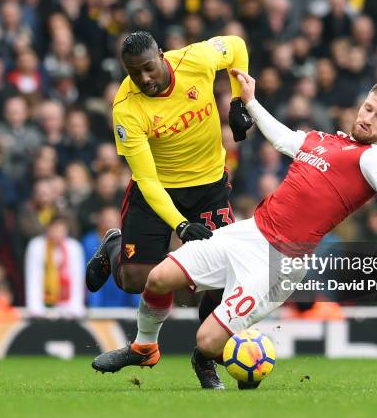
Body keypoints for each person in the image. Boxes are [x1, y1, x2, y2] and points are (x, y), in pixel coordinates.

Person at [91, 69, 377, 390]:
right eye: (368, 108)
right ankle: (145, 346)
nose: (368, 118)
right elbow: (283, 138)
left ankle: (204, 359)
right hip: (248, 234)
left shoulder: (374, 158)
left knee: (208, 341)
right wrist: (251, 101)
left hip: (278, 265)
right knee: (158, 279)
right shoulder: (324, 141)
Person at [85, 31, 254, 386]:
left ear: (161, 56)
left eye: (148, 68)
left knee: (223, 279)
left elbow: (236, 46)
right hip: (157, 192)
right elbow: (145, 179)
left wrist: (238, 103)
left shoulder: (197, 60)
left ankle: (205, 359)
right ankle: (114, 246)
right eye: (134, 73)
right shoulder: (126, 107)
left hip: (209, 188)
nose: (144, 79)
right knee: (135, 281)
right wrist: (179, 225)